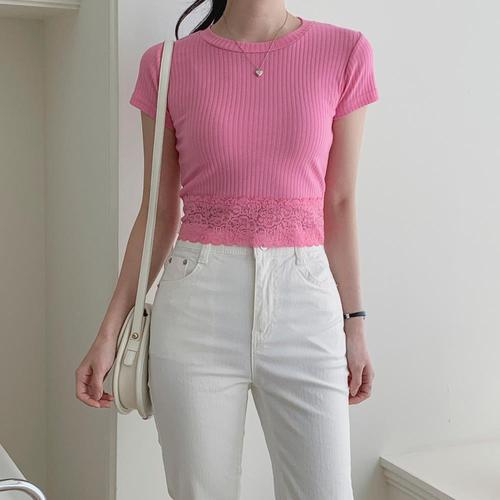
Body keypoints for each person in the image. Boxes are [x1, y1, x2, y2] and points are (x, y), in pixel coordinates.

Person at [76, 1, 379, 499]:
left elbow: (340, 202)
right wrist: (109, 331)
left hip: (305, 303)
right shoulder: (167, 63)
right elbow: (159, 211)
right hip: (197, 306)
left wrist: (356, 324)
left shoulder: (345, 51)